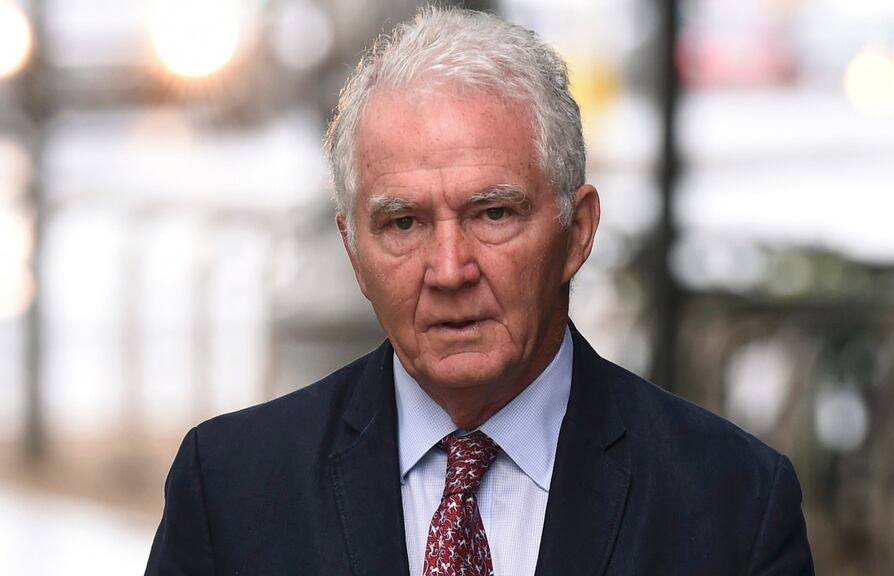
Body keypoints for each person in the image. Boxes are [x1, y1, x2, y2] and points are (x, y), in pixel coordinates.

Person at [145, 7, 814, 576]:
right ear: (353, 251)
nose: (449, 269)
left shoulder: (732, 503)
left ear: (577, 232)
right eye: (403, 223)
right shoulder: (231, 488)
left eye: (493, 214)